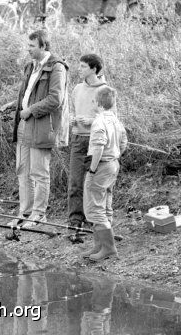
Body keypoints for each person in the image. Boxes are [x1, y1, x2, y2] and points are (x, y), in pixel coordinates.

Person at [1, 30, 69, 229]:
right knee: (22, 170)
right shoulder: (30, 66)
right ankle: (25, 213)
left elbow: (56, 99)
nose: (28, 49)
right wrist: (14, 104)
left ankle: (39, 215)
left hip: (41, 126)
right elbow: (29, 94)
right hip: (23, 124)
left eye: (31, 46)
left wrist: (30, 110)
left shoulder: (57, 68)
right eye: (28, 45)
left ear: (43, 46)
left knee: (39, 173)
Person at [82, 86, 127, 261]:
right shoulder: (116, 120)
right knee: (105, 205)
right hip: (113, 165)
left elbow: (99, 146)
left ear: (98, 102)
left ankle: (109, 249)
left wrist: (93, 169)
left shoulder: (99, 121)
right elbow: (123, 143)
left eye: (93, 100)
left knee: (94, 207)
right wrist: (114, 157)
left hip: (101, 166)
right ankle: (99, 246)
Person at [67, 54, 108, 242]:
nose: (80, 69)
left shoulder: (105, 90)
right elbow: (72, 110)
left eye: (83, 66)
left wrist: (92, 121)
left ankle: (95, 220)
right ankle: (75, 222)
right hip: (77, 140)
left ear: (94, 69)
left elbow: (109, 119)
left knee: (92, 183)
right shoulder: (77, 89)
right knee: (75, 182)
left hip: (96, 142)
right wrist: (73, 119)